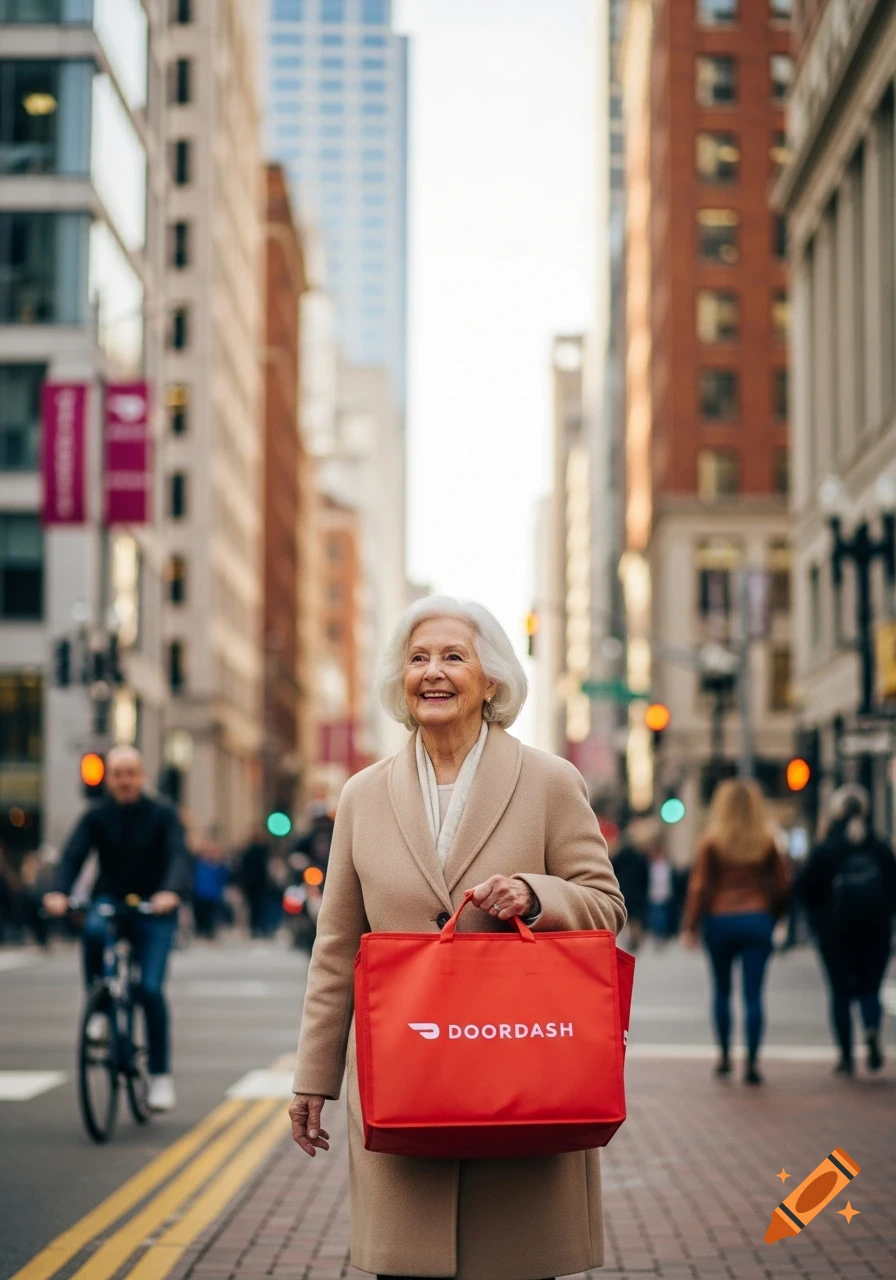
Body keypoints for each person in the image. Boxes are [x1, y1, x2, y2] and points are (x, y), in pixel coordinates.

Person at [288, 595, 626, 1280]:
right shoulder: (362, 795)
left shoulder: (550, 781)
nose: (432, 672)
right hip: (406, 1091)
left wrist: (538, 894)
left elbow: (606, 906)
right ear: (399, 679)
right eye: (417, 658)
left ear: (492, 679)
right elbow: (335, 951)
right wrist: (313, 1079)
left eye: (452, 656)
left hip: (521, 1087)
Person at [42, 746, 191, 1113]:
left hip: (153, 909)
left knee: (150, 990)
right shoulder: (96, 816)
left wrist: (170, 892)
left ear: (142, 776)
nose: (124, 781)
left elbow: (177, 855)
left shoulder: (163, 814)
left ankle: (159, 1076)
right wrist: (59, 891)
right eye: (117, 774)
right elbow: (74, 855)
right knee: (93, 930)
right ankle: (98, 1006)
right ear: (109, 779)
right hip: (109, 903)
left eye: (131, 773)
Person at [681, 779, 790, 1086]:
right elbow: (782, 885)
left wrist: (691, 926)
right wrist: (775, 917)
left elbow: (699, 886)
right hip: (757, 919)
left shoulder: (713, 840)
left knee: (722, 991)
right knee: (754, 995)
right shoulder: (766, 841)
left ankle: (726, 1057)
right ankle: (753, 1062)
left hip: (720, 919)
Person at [797, 784, 896, 1076]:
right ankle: (871, 1028)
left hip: (836, 932)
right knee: (870, 990)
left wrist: (819, 920)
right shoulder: (879, 848)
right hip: (875, 931)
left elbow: (804, 888)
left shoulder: (827, 849)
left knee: (840, 993)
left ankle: (846, 1056)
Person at [611, 819, 650, 951]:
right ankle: (634, 938)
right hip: (637, 893)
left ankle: (624, 939)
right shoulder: (641, 856)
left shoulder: (622, 854)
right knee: (635, 918)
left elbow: (612, 868)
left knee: (624, 916)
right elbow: (646, 876)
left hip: (623, 889)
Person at [192, 839, 230, 940]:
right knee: (200, 915)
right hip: (199, 894)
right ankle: (201, 932)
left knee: (212, 916)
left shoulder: (219, 866)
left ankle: (210, 933)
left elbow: (226, 877)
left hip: (214, 895)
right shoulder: (199, 864)